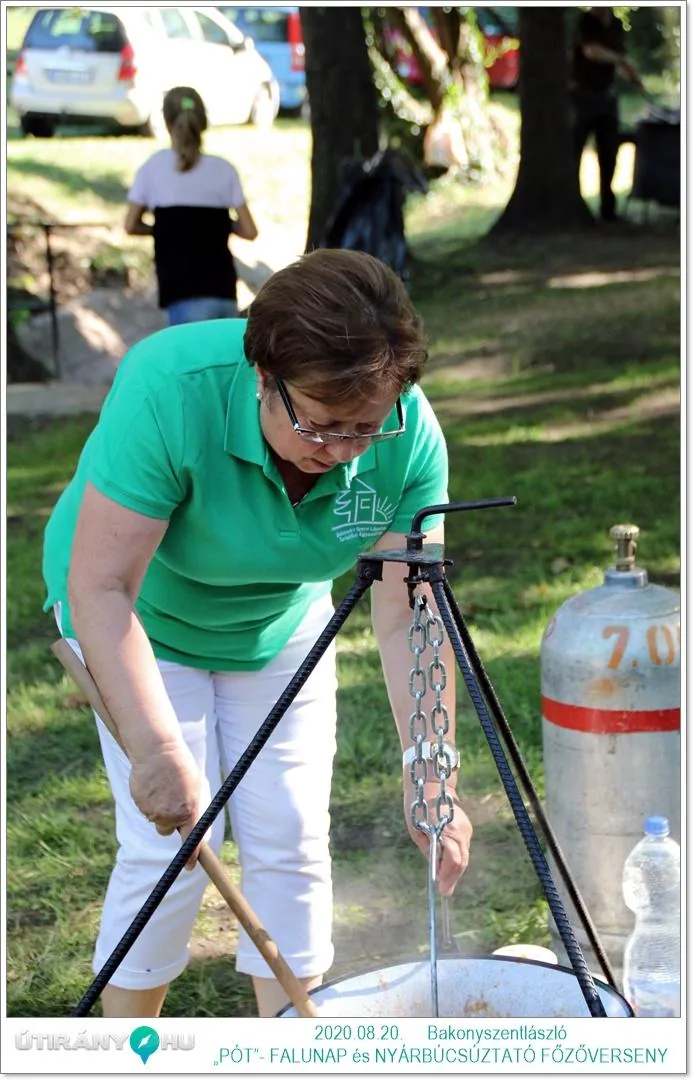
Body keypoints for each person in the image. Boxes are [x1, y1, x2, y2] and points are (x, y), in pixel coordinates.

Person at [42, 248, 473, 1019]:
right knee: (169, 847)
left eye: (363, 430)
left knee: (293, 837)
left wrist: (428, 768)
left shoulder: (405, 435)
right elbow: (102, 586)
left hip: (276, 617)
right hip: (142, 616)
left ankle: (287, 1051)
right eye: (319, 424)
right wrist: (158, 747)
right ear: (261, 376)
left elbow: (409, 608)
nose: (342, 450)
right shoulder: (171, 389)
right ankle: (124, 1058)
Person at [125, 85, 257, 325]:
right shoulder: (224, 169)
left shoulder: (152, 168)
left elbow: (130, 224)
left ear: (166, 122)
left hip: (180, 293)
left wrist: (162, 229)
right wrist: (221, 225)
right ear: (203, 121)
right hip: (223, 291)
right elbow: (250, 231)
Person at [570, 7, 644, 221]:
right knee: (575, 151)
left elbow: (617, 58)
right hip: (582, 97)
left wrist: (630, 75)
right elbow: (591, 51)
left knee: (609, 155)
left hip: (607, 98)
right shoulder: (585, 22)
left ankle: (608, 209)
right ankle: (575, 204)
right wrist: (620, 61)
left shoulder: (616, 25)